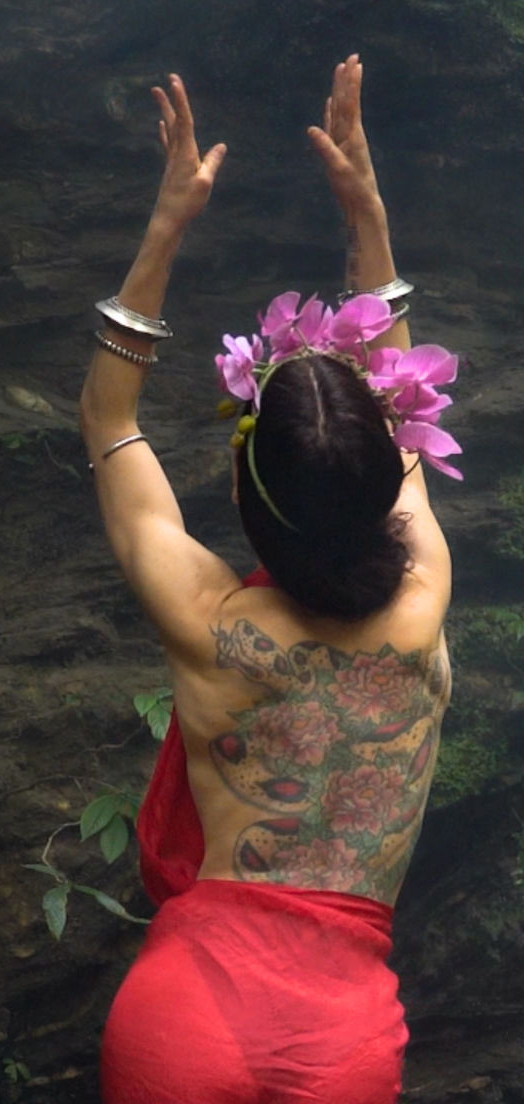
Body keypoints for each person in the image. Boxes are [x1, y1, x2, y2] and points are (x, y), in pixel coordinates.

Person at [80, 55, 458, 1104]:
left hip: (187, 1008)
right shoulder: (421, 600)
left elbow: (111, 422)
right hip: (341, 1038)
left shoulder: (209, 625)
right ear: (389, 482)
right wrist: (368, 218)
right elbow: (406, 412)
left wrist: (165, 226)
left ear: (247, 503)